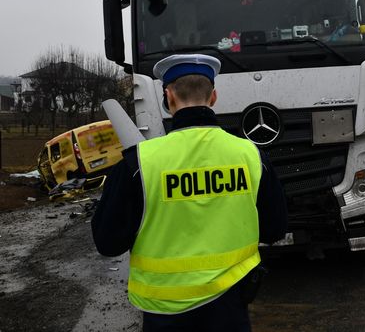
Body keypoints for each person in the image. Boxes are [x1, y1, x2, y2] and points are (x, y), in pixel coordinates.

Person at [91, 54, 287, 332]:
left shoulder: (139, 164)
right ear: (214, 96)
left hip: (164, 315)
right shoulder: (252, 155)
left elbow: (108, 243)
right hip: (230, 307)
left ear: (168, 98)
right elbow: (275, 229)